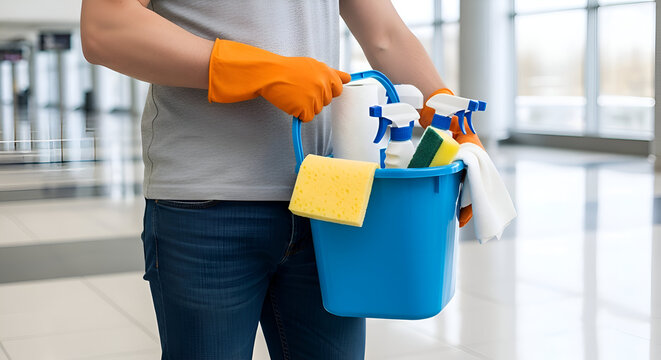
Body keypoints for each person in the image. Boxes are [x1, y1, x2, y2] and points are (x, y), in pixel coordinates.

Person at [81, 0, 481, 358]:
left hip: (326, 200)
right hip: (204, 204)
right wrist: (258, 70)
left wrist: (452, 121)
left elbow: (384, 33)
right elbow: (107, 26)